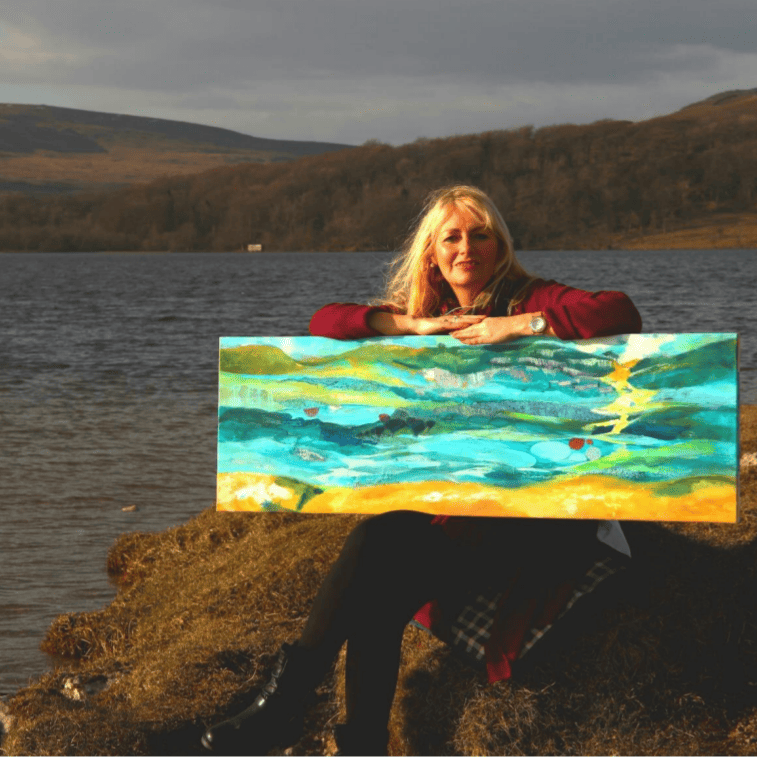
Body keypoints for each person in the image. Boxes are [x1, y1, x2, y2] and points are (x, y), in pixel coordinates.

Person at [201, 185, 642, 755]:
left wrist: (523, 325)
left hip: (528, 520)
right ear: (431, 253)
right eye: (452, 237)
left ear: (499, 244)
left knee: (377, 553)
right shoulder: (427, 314)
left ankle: (289, 703)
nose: (467, 249)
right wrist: (407, 328)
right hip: (448, 522)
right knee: (378, 585)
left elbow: (617, 309)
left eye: (480, 235)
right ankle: (354, 741)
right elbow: (324, 321)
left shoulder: (530, 295)